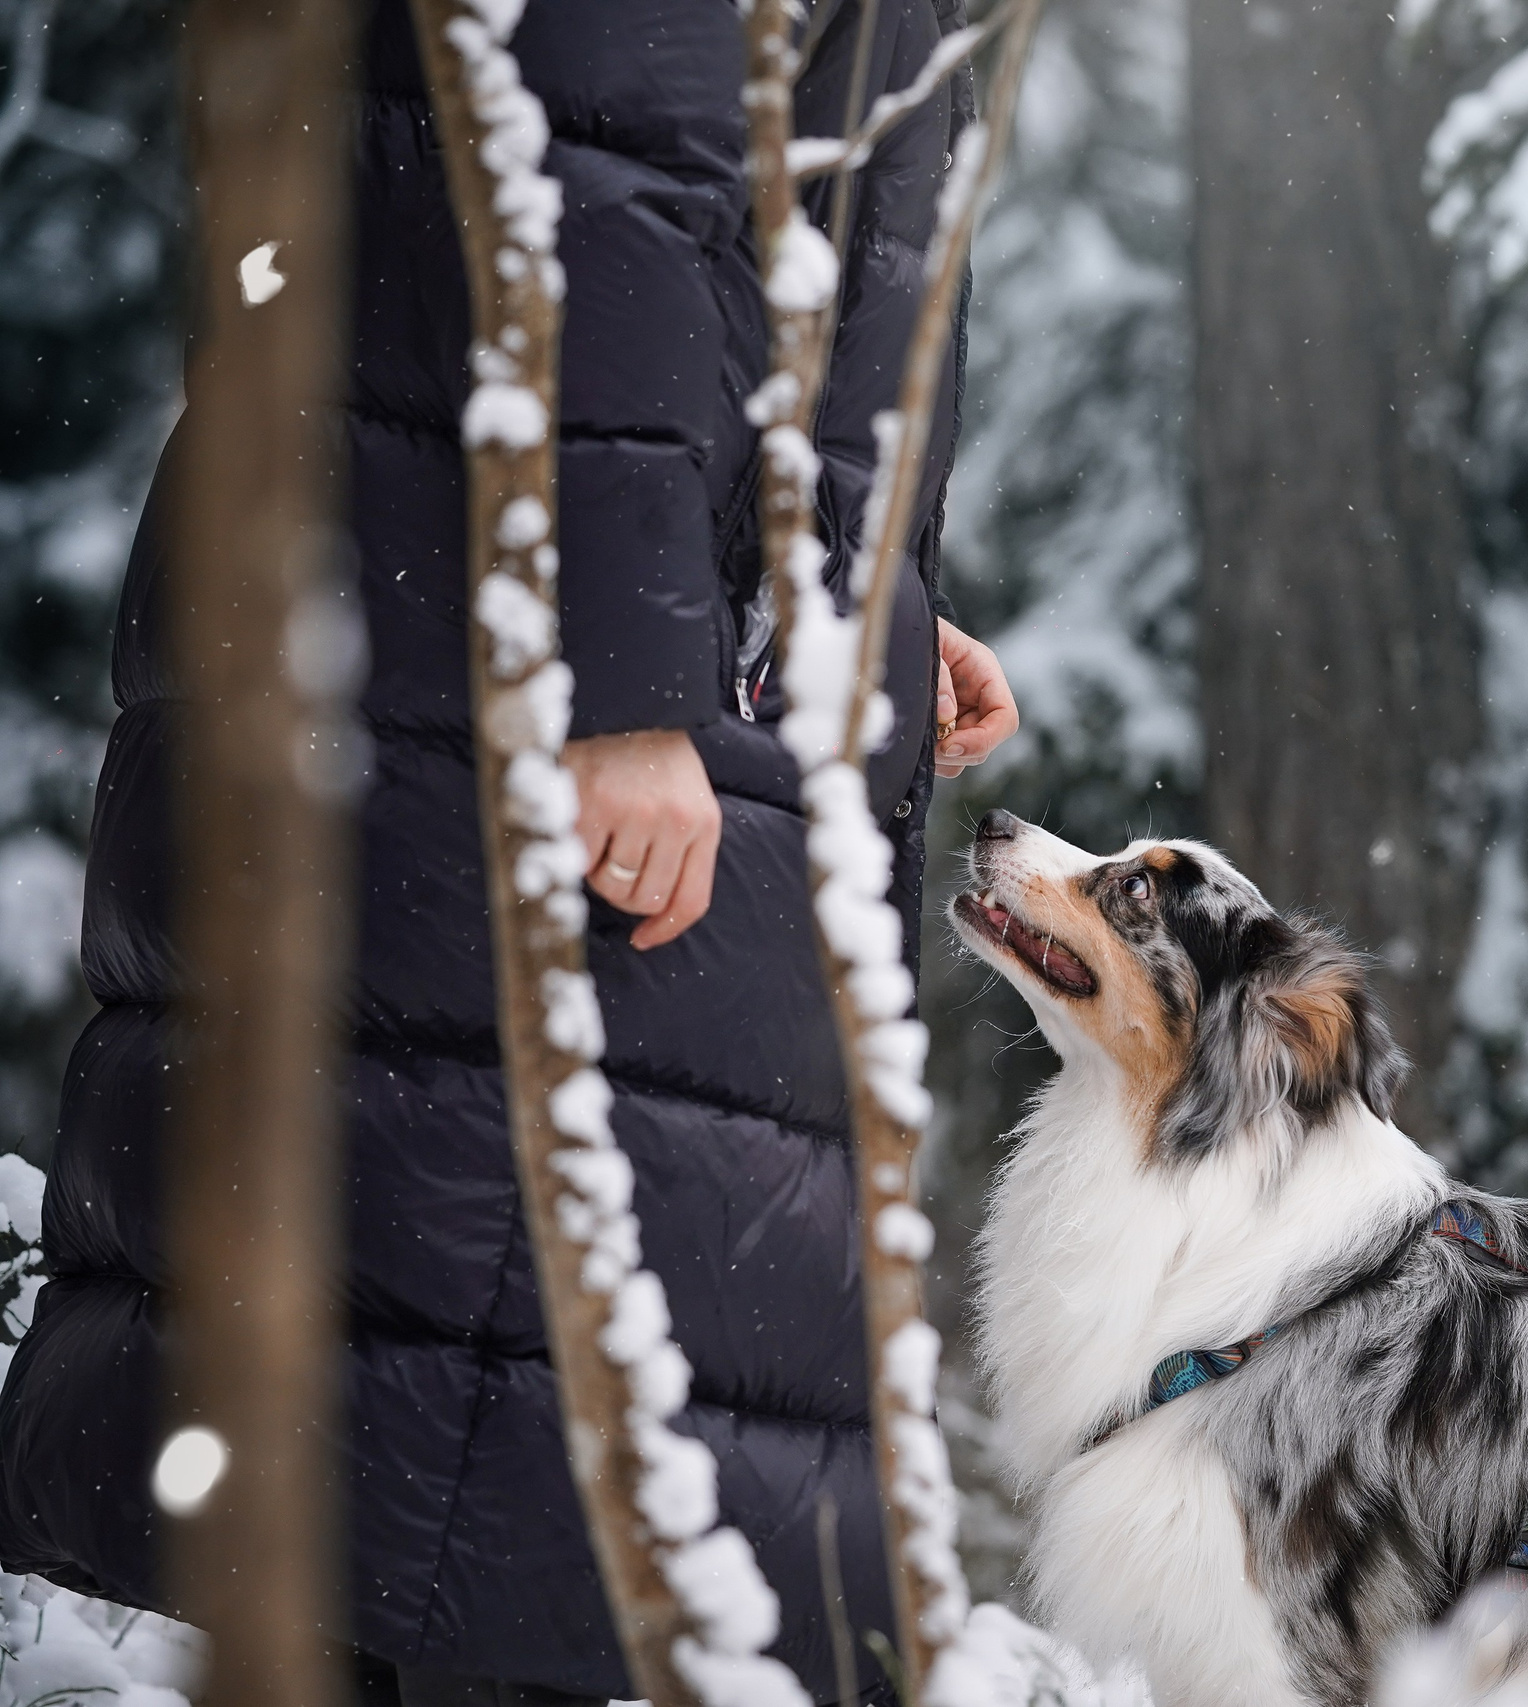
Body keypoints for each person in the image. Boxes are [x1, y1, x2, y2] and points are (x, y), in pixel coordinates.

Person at [0, 1, 1014, 1703]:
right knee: (479, 1463)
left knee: (427, 1439)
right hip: (532, 676)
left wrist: (875, 590)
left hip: (473, 612)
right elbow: (600, 200)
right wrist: (623, 685)